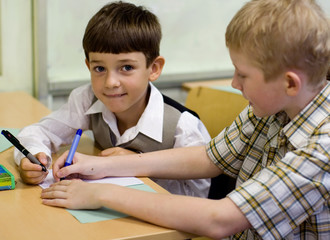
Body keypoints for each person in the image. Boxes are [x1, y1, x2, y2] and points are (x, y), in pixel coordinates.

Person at [41, 0, 329, 239]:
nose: (234, 83)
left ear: (289, 83)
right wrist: (102, 165)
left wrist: (102, 195)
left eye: (242, 74)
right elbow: (208, 157)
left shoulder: (322, 147)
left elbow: (219, 219)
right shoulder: (274, 106)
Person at [14, 1, 211, 198]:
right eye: (99, 68)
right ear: (88, 65)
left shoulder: (182, 127)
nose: (110, 82)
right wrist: (33, 156)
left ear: (154, 68)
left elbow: (197, 197)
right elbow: (37, 132)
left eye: (126, 68)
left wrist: (135, 166)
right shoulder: (87, 99)